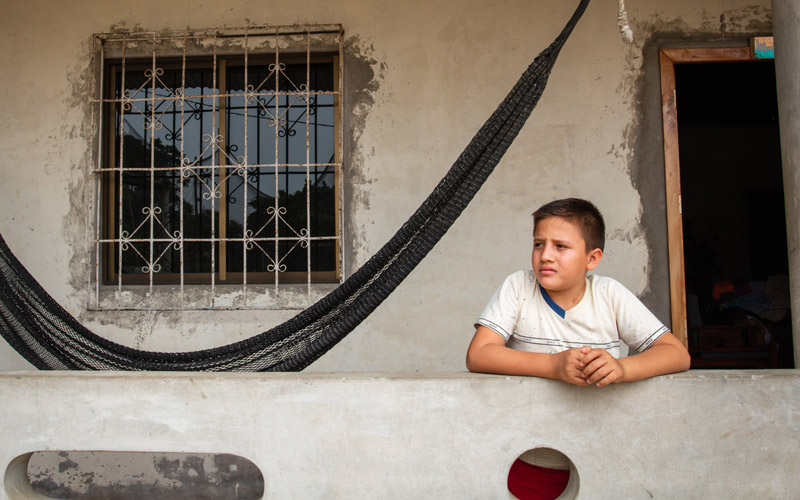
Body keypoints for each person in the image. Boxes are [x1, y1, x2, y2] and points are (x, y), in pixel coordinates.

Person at [465, 198, 690, 500]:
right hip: (527, 459)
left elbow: (677, 354)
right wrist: (553, 366)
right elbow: (479, 355)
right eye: (538, 244)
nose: (546, 255)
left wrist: (623, 368)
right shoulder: (518, 287)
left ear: (592, 258)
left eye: (560, 246)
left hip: (602, 453)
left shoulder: (609, 295)